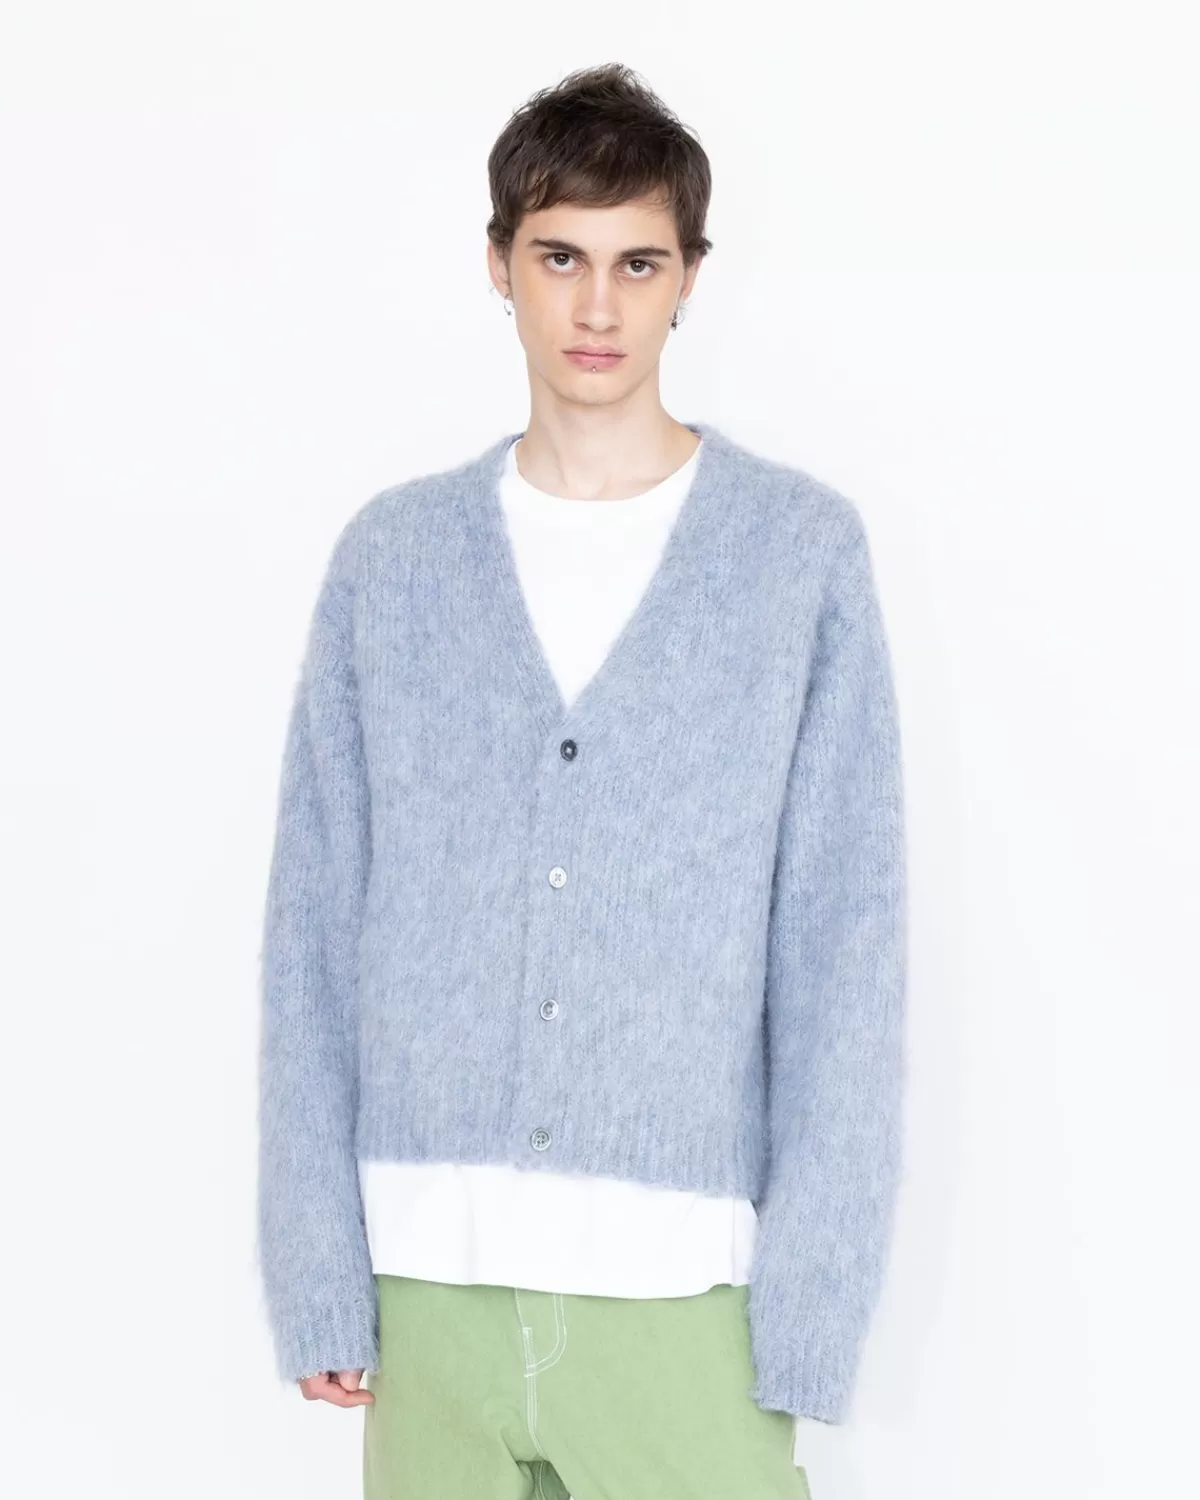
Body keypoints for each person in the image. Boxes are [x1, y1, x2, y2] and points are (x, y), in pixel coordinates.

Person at [257, 60, 908, 1500]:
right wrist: (316, 1267)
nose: (598, 306)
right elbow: (313, 931)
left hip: (683, 1298)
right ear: (500, 266)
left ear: (689, 280)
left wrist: (813, 1307)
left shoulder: (797, 558)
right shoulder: (393, 563)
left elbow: (844, 953)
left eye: (638, 263)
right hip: (430, 1289)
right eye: (560, 258)